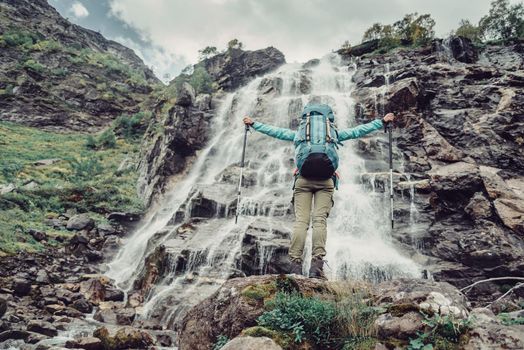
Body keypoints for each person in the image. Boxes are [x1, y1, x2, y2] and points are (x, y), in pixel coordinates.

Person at [243, 107, 395, 279]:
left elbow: (276, 132)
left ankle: (295, 265)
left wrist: (254, 124)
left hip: (303, 180)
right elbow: (357, 131)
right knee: (319, 221)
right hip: (326, 180)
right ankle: (316, 266)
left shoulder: (300, 135)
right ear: (328, 120)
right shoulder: (333, 134)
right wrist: (381, 122)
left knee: (301, 222)